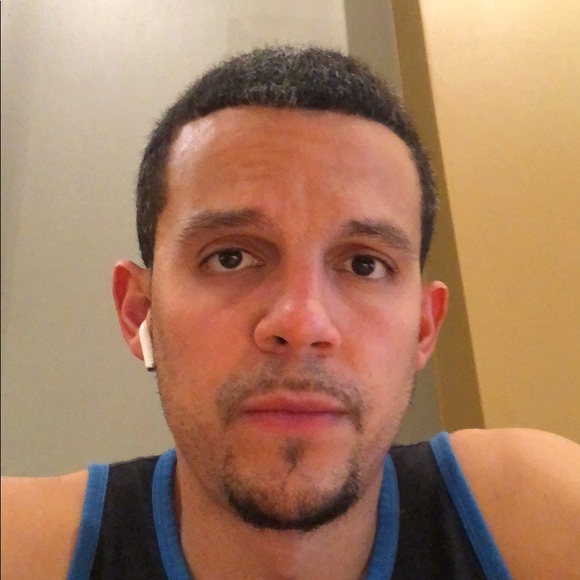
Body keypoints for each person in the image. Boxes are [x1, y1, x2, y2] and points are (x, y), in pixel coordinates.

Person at [2, 46, 579, 580]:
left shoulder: (535, 518)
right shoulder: (24, 548)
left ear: (424, 328)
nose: (301, 323)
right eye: (230, 257)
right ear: (138, 312)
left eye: (364, 265)